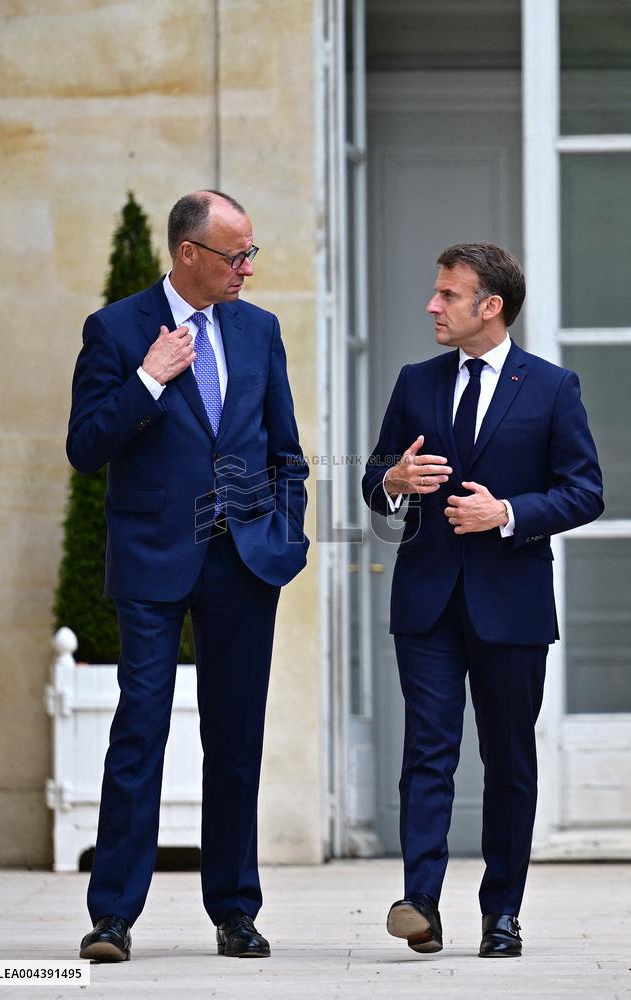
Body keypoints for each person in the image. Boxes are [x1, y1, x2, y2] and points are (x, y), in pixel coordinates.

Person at [69, 190, 309, 962]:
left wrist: (286, 533)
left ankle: (234, 910)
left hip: (242, 560)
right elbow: (84, 447)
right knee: (139, 731)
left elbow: (285, 450)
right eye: (234, 255)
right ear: (186, 254)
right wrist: (145, 380)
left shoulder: (258, 328)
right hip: (151, 561)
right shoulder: (115, 330)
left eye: (249, 254)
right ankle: (112, 917)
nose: (246, 267)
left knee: (235, 740)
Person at [362, 243, 603, 958]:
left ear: (488, 306)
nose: (432, 306)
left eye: (447, 294)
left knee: (507, 760)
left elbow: (585, 490)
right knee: (427, 753)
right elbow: (375, 478)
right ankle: (421, 905)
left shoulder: (553, 388)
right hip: (427, 603)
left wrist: (505, 513)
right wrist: (394, 480)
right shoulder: (414, 381)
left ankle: (502, 913)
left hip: (512, 601)